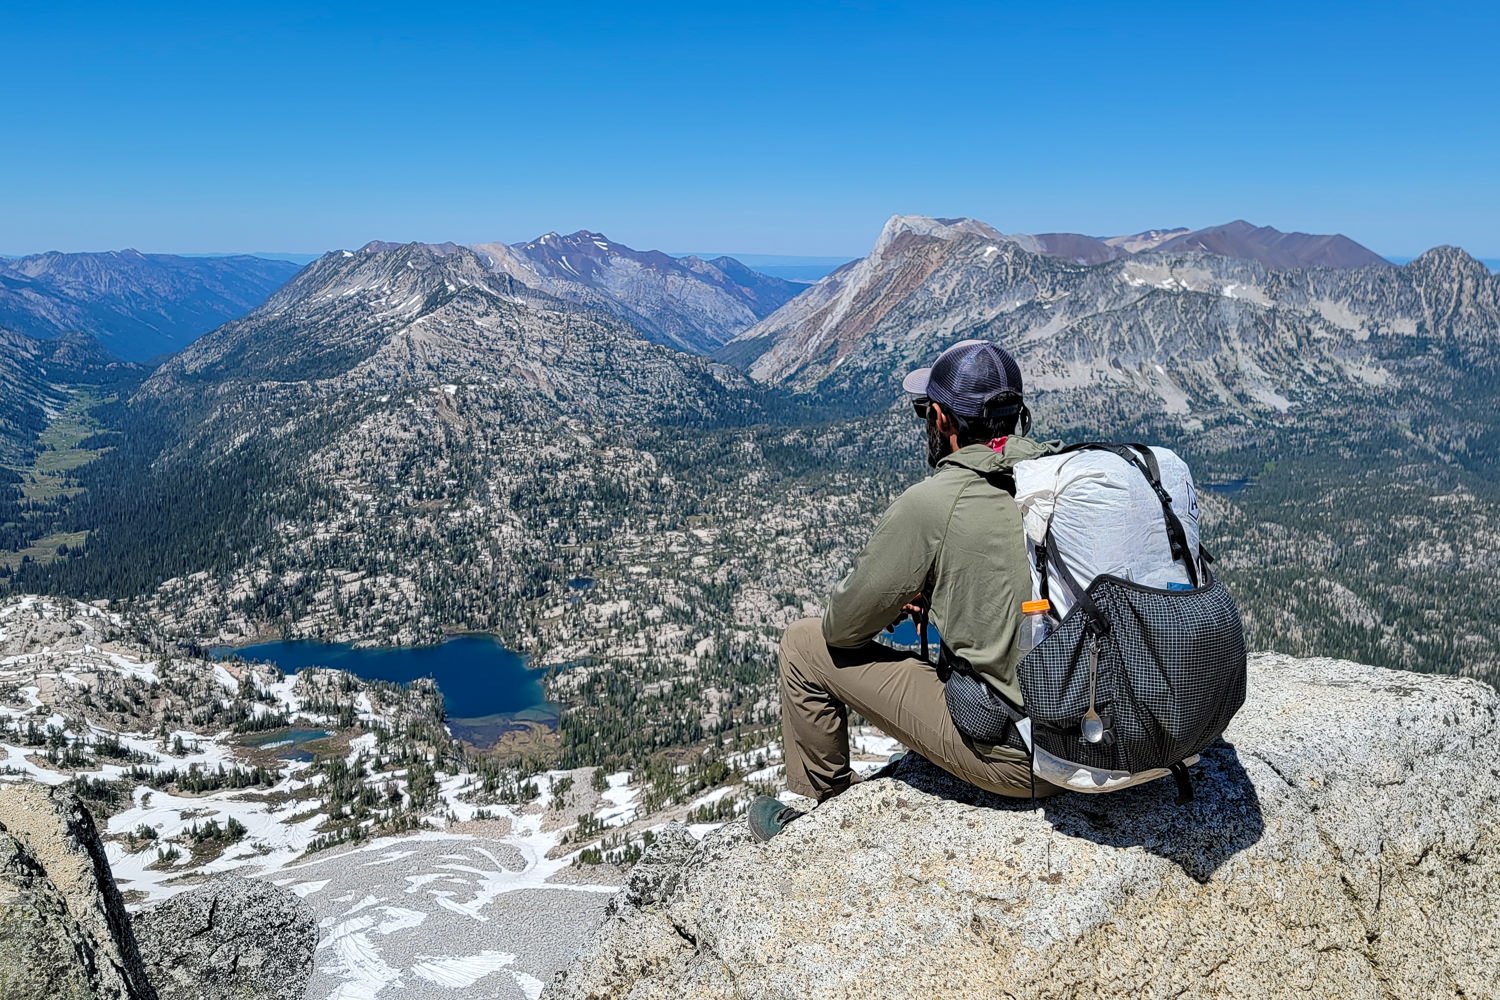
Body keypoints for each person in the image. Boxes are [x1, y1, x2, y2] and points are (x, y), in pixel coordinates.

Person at [747, 340, 1063, 842]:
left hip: (1025, 763)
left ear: (940, 419)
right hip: (1106, 734)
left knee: (803, 646)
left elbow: (842, 627)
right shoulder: (1061, 478)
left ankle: (815, 821)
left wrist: (909, 586)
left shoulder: (934, 502)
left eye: (925, 411)